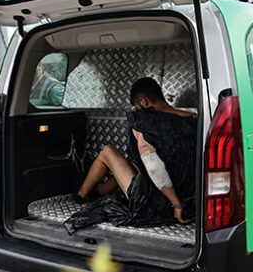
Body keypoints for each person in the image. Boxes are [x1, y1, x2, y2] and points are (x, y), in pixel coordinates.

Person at [65, 77, 196, 232]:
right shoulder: (194, 120)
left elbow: (153, 166)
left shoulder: (144, 121)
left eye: (137, 107)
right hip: (186, 198)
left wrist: (176, 205)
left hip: (151, 205)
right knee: (132, 161)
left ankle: (81, 194)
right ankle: (98, 192)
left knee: (108, 151)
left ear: (144, 101)